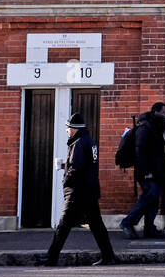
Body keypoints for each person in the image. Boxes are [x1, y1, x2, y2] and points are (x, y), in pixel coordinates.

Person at [39, 113, 117, 266]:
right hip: (90, 189)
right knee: (96, 225)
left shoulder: (79, 143)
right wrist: (65, 166)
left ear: (73, 128)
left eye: (67, 128)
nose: (67, 131)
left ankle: (51, 258)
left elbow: (77, 167)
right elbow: (85, 165)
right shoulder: (89, 141)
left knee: (64, 224)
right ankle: (108, 256)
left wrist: (66, 180)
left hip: (78, 191)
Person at [119, 102, 165, 239]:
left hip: (157, 171)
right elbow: (140, 151)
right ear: (156, 112)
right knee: (150, 195)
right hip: (147, 172)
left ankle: (149, 228)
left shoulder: (158, 127)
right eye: (164, 112)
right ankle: (127, 222)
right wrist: (146, 172)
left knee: (154, 199)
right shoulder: (145, 128)